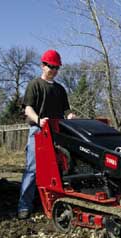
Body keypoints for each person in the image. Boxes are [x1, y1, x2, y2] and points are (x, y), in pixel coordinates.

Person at [17, 49, 75, 220]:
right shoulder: (35, 85)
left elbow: (66, 109)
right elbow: (28, 108)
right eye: (51, 66)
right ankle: (24, 206)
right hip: (39, 131)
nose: (54, 70)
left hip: (57, 132)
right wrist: (39, 120)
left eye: (57, 67)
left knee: (59, 168)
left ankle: (55, 203)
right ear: (42, 65)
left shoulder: (60, 89)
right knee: (33, 169)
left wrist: (70, 115)